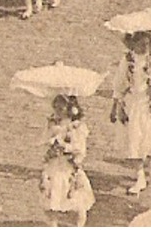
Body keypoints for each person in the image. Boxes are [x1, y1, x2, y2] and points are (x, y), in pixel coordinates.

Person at [111, 30, 151, 196]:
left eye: (148, 44)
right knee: (134, 140)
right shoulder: (127, 61)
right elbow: (119, 83)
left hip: (149, 104)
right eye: (141, 44)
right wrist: (116, 105)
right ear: (132, 44)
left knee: (149, 136)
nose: (145, 47)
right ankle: (139, 177)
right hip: (133, 104)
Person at [40, 95, 95, 227]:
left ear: (70, 108)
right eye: (56, 106)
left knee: (78, 202)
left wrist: (65, 147)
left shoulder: (77, 127)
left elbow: (80, 148)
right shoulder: (52, 124)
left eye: (62, 106)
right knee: (51, 200)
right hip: (54, 166)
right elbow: (43, 140)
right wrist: (51, 143)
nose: (58, 109)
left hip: (69, 166)